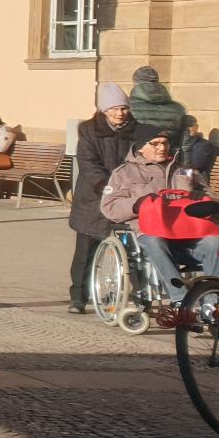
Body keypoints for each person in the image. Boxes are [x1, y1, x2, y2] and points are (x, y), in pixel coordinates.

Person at [99, 129, 219, 290]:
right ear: (141, 147)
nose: (162, 148)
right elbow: (109, 206)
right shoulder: (124, 174)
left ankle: (218, 300)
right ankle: (181, 297)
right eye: (155, 144)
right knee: (155, 241)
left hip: (187, 231)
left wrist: (200, 200)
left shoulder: (183, 170)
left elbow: (209, 196)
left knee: (214, 241)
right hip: (149, 231)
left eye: (165, 143)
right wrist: (137, 204)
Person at [70, 84, 138, 313]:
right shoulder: (89, 131)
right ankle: (78, 297)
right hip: (94, 197)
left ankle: (130, 294)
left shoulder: (136, 130)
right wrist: (108, 187)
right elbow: (88, 164)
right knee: (85, 251)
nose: (121, 113)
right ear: (103, 109)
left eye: (124, 108)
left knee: (131, 250)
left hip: (127, 197)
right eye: (115, 108)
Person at [126, 65, 187, 149]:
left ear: (135, 83)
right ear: (157, 81)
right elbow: (185, 140)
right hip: (170, 155)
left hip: (140, 156)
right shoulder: (178, 108)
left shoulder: (127, 107)